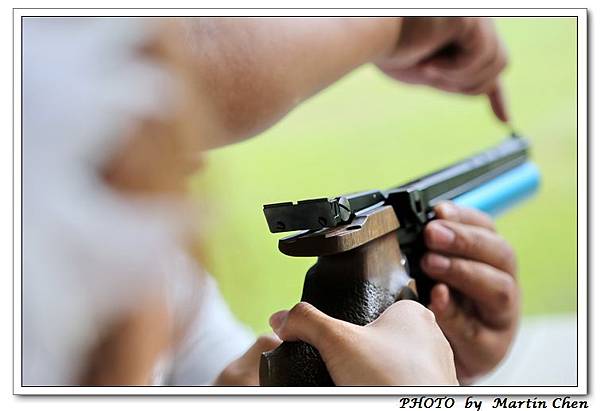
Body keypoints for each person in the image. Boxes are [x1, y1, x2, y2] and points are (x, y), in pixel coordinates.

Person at [22, 17, 518, 386]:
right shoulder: (123, 278)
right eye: (155, 152)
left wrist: (428, 363)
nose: (193, 163)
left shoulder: (154, 285)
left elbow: (218, 362)